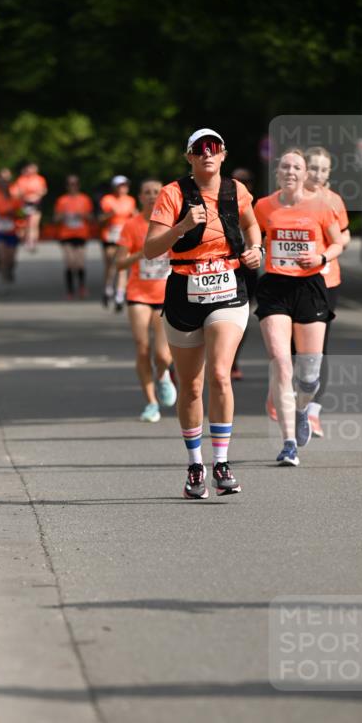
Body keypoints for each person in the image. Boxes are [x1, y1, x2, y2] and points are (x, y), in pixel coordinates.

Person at [144, 128, 262, 498]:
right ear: (190, 157)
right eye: (200, 149)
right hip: (183, 288)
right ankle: (196, 465)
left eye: (214, 148)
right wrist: (182, 226)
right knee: (191, 385)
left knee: (219, 374)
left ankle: (222, 463)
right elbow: (150, 249)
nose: (207, 154)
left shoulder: (237, 191)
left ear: (223, 154)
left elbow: (251, 224)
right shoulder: (173, 193)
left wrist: (255, 248)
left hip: (228, 286)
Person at [253, 149, 345, 466]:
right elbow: (252, 237)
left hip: (310, 288)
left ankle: (303, 407)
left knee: (309, 375)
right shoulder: (263, 206)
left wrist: (321, 258)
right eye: (285, 166)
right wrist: (252, 251)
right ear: (277, 172)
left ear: (305, 174)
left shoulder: (321, 205)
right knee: (281, 361)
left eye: (297, 167)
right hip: (275, 287)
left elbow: (337, 242)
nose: (290, 171)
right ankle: (288, 443)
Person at [116, 179, 177, 422]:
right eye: (147, 192)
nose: (152, 196)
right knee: (142, 347)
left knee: (163, 355)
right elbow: (119, 263)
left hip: (165, 295)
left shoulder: (171, 223)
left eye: (156, 192)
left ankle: (162, 375)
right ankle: (151, 402)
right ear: (139, 197)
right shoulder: (131, 226)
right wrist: (141, 253)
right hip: (138, 295)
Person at [302, 146, 351, 437]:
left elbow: (344, 234)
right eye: (313, 167)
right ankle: (289, 403)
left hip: (326, 281)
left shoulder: (333, 201)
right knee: (296, 350)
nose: (318, 173)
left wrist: (336, 245)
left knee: (319, 350)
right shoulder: (290, 199)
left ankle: (313, 412)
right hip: (293, 281)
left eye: (323, 169)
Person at [230, 167, 258, 381]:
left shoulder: (257, 207)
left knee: (241, 317)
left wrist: (257, 251)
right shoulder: (219, 200)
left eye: (246, 180)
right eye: (238, 180)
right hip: (220, 267)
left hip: (247, 269)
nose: (242, 184)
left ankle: (233, 361)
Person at [53, 175, 95, 299]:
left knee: (80, 263)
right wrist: (64, 216)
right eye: (70, 184)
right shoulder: (62, 200)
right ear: (66, 186)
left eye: (75, 184)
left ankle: (82, 287)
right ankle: (70, 290)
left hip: (81, 234)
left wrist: (82, 215)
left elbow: (92, 218)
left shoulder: (85, 199)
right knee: (70, 263)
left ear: (78, 185)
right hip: (66, 235)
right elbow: (55, 219)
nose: (73, 186)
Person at [99, 176, 137, 311]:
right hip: (109, 236)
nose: (123, 188)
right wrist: (110, 214)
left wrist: (135, 216)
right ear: (114, 187)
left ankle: (119, 296)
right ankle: (108, 289)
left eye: (125, 185)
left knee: (122, 266)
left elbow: (135, 218)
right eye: (120, 186)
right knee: (110, 265)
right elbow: (100, 219)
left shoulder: (130, 200)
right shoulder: (107, 200)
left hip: (124, 238)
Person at [0, 170, 23, 282]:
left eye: (6, 181)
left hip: (12, 230)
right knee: (3, 256)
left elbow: (21, 212)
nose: (3, 183)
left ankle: (9, 269)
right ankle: (3, 276)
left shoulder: (15, 195)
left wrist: (13, 214)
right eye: (1, 181)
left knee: (11, 259)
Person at [11, 162, 48, 251]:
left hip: (36, 203)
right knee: (24, 223)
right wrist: (24, 195)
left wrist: (36, 195)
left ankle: (32, 242)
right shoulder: (22, 179)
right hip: (24, 204)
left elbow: (43, 190)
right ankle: (26, 240)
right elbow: (16, 192)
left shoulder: (40, 179)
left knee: (33, 223)